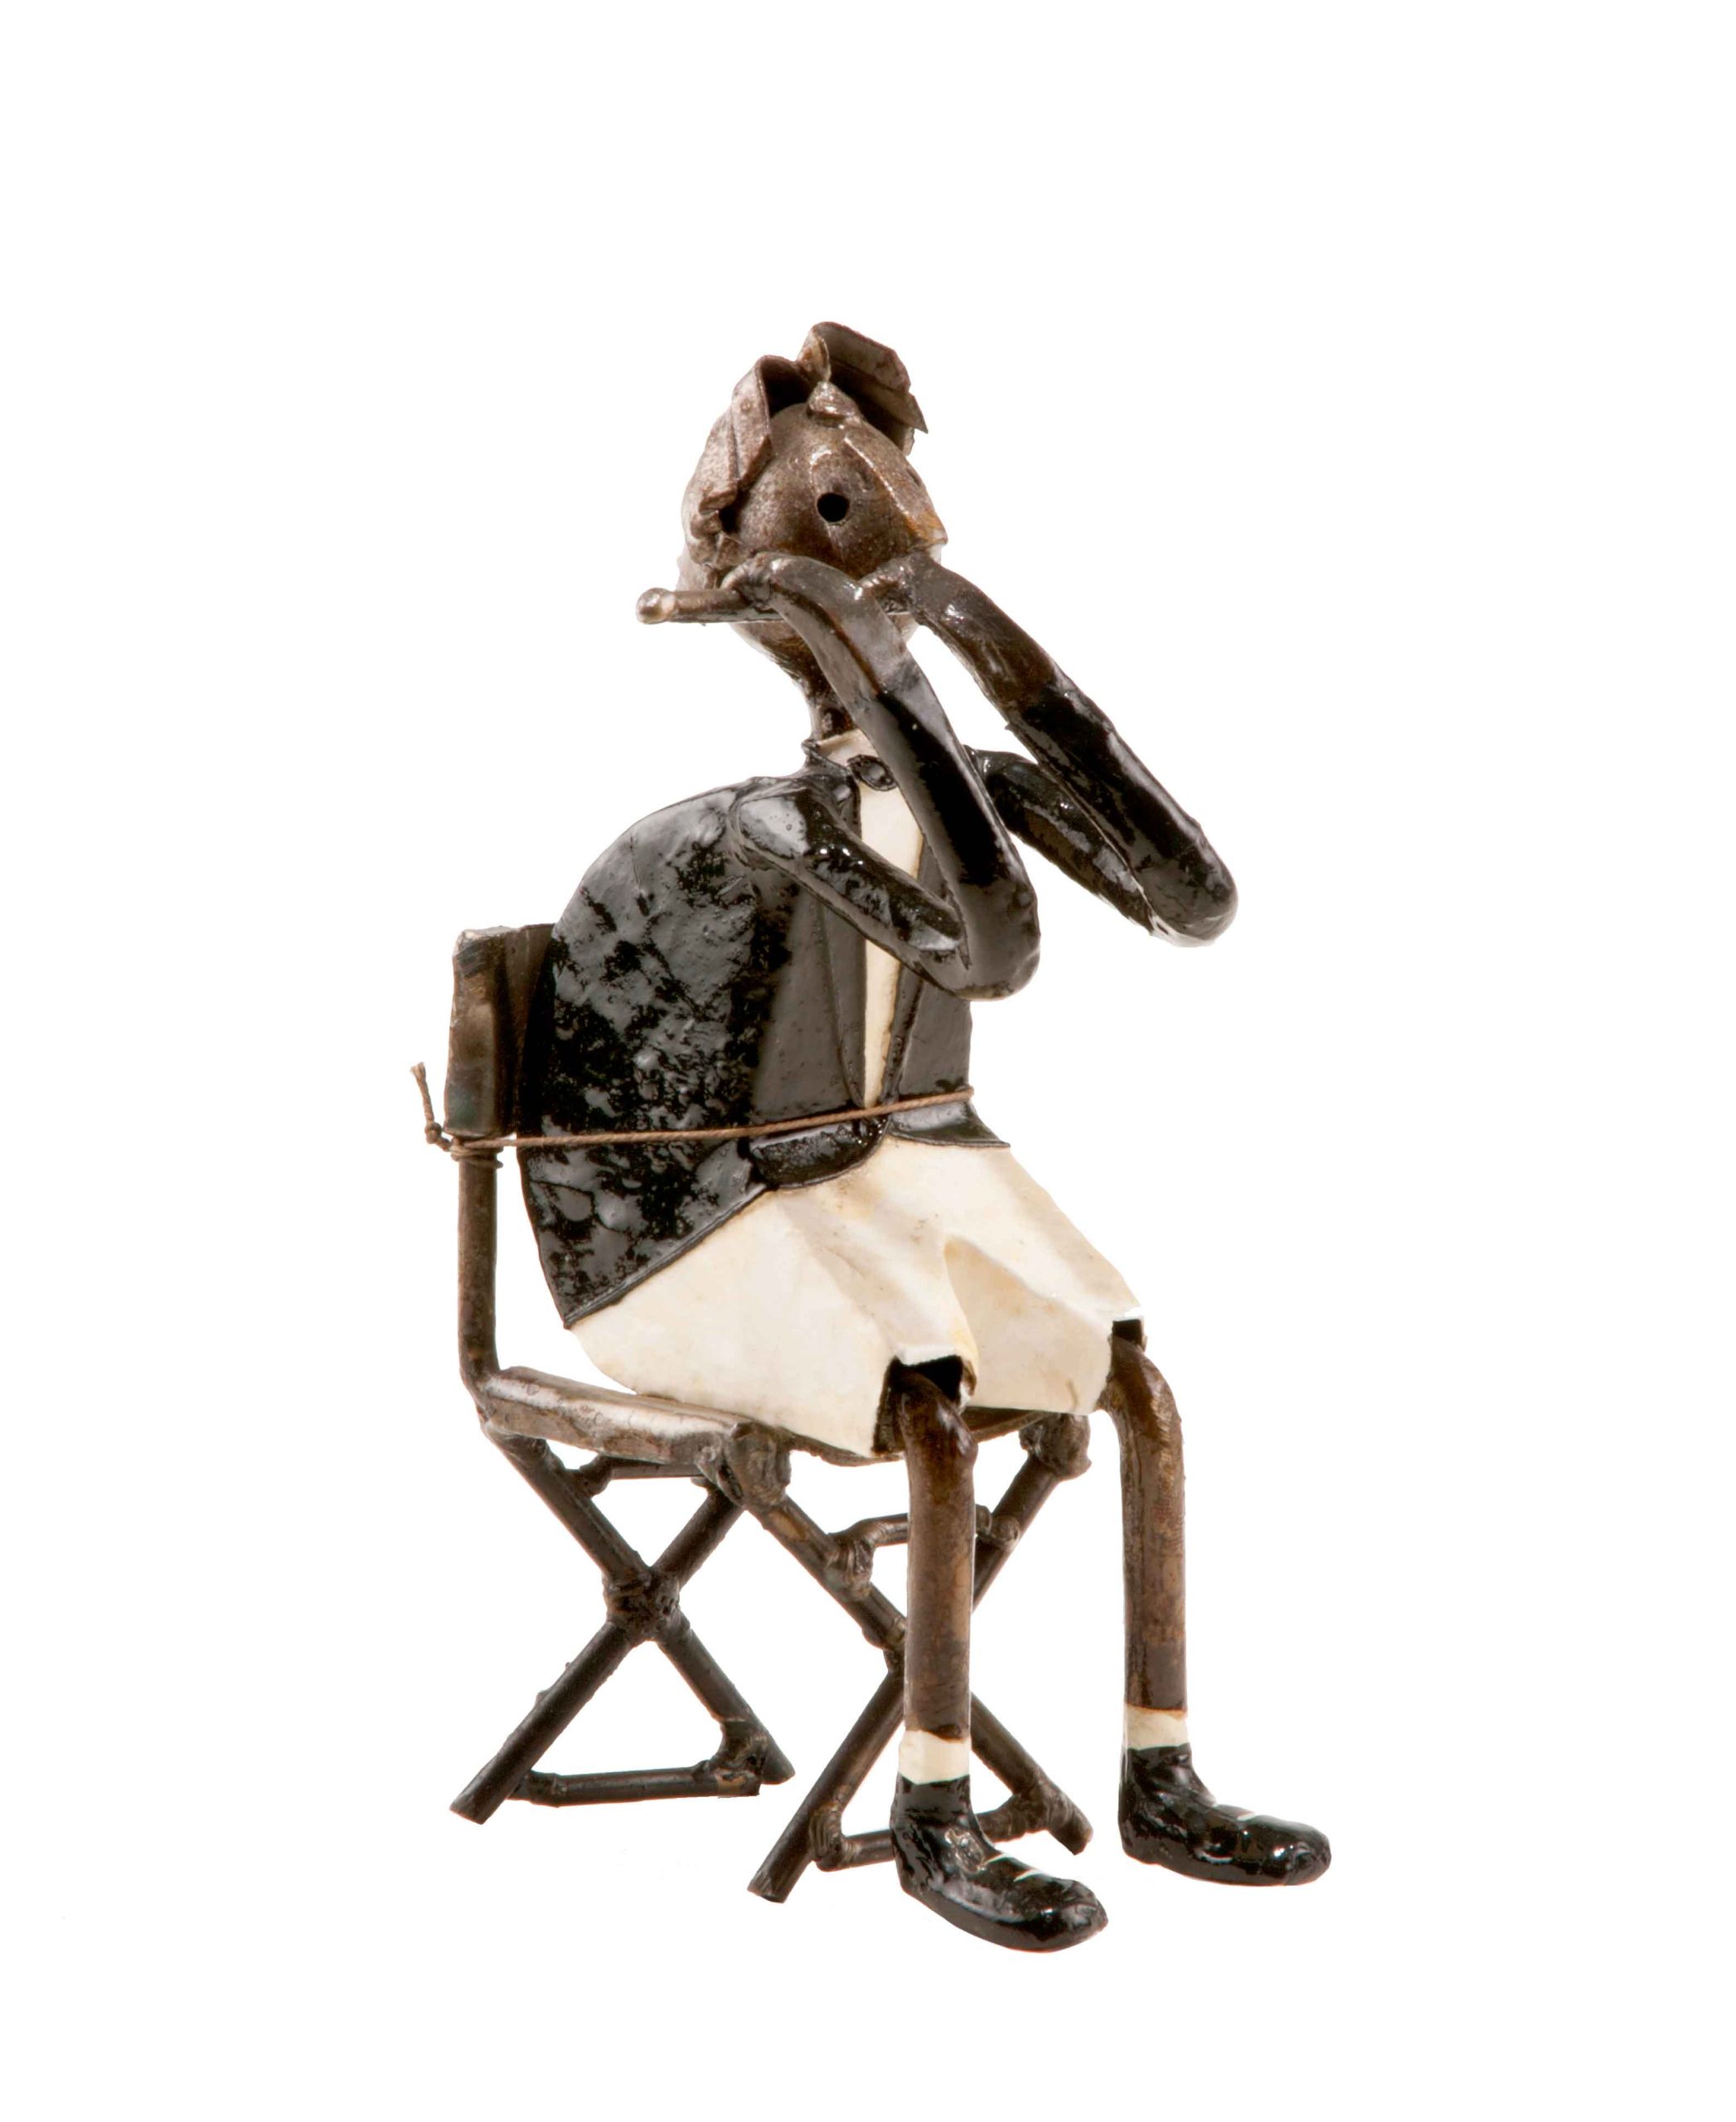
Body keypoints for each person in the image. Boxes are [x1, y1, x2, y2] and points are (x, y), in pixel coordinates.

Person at [517, 323, 1329, 1950]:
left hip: (888, 1161)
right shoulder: (765, 823)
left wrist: (973, 633)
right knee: (939, 1412)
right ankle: (932, 1807)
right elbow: (991, 952)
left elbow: (1192, 897)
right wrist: (895, 679)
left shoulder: (950, 787)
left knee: (1135, 1385)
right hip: (679, 1224)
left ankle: (1159, 1771)